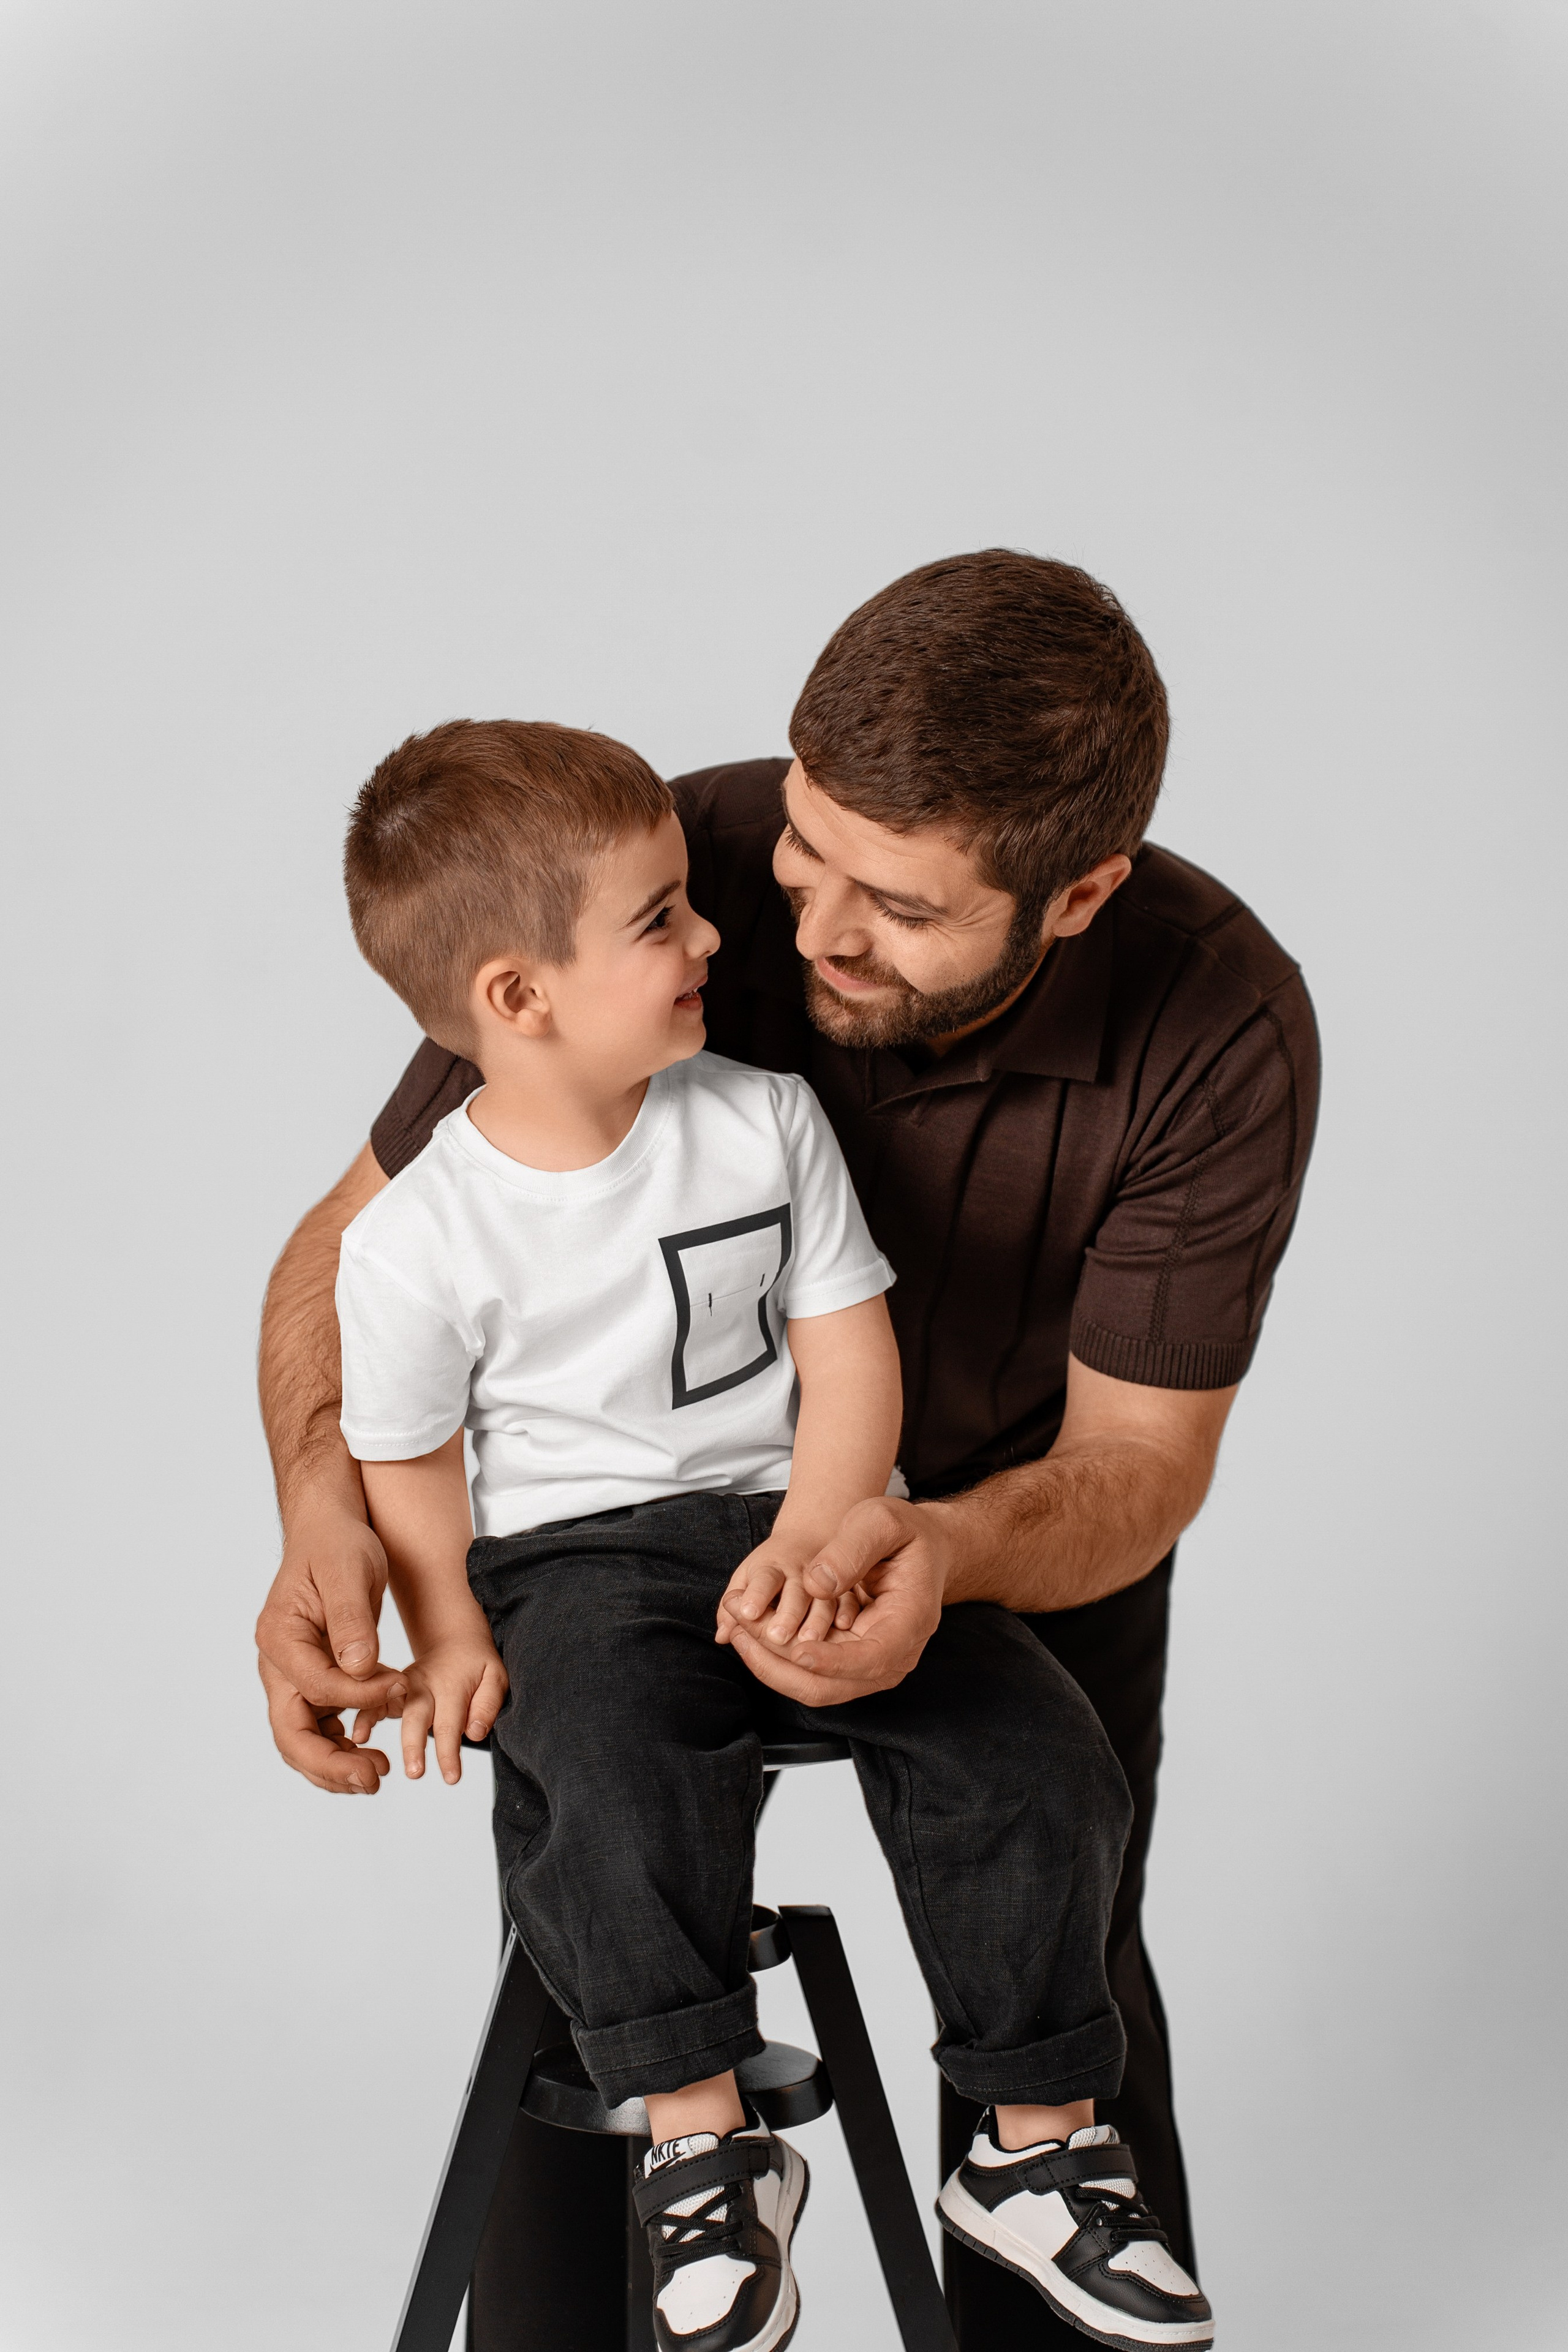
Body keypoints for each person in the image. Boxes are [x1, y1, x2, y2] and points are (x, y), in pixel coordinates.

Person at [255, 550, 1319, 2351]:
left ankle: (1045, 2178)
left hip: (1004, 1528)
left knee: (1053, 1846)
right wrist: (324, 1518)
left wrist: (924, 1548)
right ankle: (670, 2202)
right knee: (602, 1878)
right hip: (601, 1539)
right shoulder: (661, 874)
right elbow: (352, 1251)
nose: (799, 926)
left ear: (1079, 896)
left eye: (894, 904)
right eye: (806, 851)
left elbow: (1142, 1459)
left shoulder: (1217, 1024)